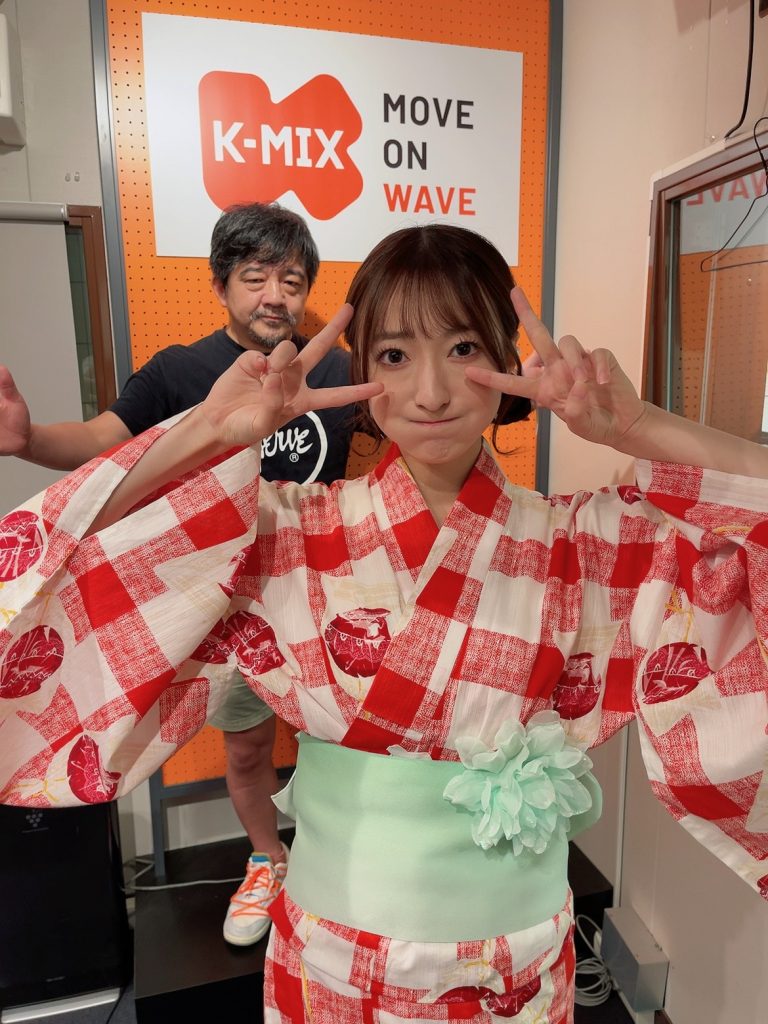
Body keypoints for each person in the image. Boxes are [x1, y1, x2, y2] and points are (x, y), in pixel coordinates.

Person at [1, 224, 766, 1023]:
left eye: (464, 348)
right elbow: (64, 566)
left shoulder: (589, 541)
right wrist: (208, 434)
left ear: (506, 359)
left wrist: (638, 429)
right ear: (362, 371)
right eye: (395, 355)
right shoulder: (281, 529)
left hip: (512, 968)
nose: (432, 392)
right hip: (333, 958)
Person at [0, 200, 358, 947]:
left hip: (323, 600)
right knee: (248, 748)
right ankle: (267, 859)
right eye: (255, 277)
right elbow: (101, 442)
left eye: (292, 281)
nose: (275, 296)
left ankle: (345, 864)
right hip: (220, 611)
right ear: (221, 284)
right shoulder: (179, 371)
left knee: (345, 741)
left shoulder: (334, 367)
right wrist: (28, 439)